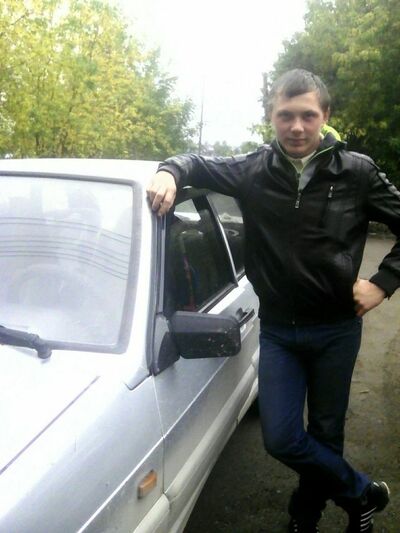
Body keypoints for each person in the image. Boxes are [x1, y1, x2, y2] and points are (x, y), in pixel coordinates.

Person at [147, 69, 400, 533]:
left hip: (337, 329)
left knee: (326, 433)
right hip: (281, 331)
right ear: (272, 116)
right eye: (286, 115)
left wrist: (383, 283)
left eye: (308, 115)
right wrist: (169, 170)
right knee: (281, 437)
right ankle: (362, 492)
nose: (297, 127)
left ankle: (306, 517)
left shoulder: (357, 172)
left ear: (325, 116)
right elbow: (195, 163)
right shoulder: (253, 170)